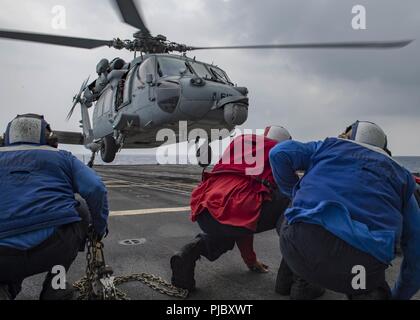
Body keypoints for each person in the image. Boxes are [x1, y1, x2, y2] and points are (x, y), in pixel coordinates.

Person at [269, 120, 420, 300]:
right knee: (364, 283)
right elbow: (415, 248)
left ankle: (296, 284)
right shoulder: (401, 176)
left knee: (302, 210)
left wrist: (294, 191)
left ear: (348, 136)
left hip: (297, 249)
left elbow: (279, 152)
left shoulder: (328, 147)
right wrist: (399, 295)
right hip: (361, 268)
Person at [171, 126, 322, 298]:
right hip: (239, 208)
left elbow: (242, 219)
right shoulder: (278, 152)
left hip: (207, 210)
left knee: (228, 228)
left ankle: (188, 254)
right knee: (295, 201)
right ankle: (300, 282)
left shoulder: (241, 145)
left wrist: (250, 260)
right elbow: (246, 208)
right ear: (286, 143)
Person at [0, 114, 109, 300]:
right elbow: (96, 188)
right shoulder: (62, 157)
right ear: (46, 136)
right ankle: (55, 286)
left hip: (3, 257)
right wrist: (99, 228)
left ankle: (6, 287)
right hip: (54, 247)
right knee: (80, 207)